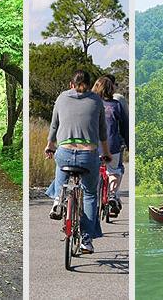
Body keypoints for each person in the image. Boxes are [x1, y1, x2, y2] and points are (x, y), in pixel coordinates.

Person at [45, 70, 112, 254]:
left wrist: (50, 146)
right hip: (88, 155)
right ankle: (86, 241)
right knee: (90, 194)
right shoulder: (97, 101)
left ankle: (58, 199)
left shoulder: (61, 98)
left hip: (65, 151)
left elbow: (54, 125)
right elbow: (102, 132)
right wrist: (106, 153)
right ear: (90, 86)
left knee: (60, 167)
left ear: (70, 84)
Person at [92, 77, 129, 215]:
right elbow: (125, 127)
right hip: (112, 145)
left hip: (93, 147)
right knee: (115, 170)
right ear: (112, 89)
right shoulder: (116, 105)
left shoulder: (91, 104)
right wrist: (129, 144)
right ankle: (112, 194)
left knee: (92, 172)